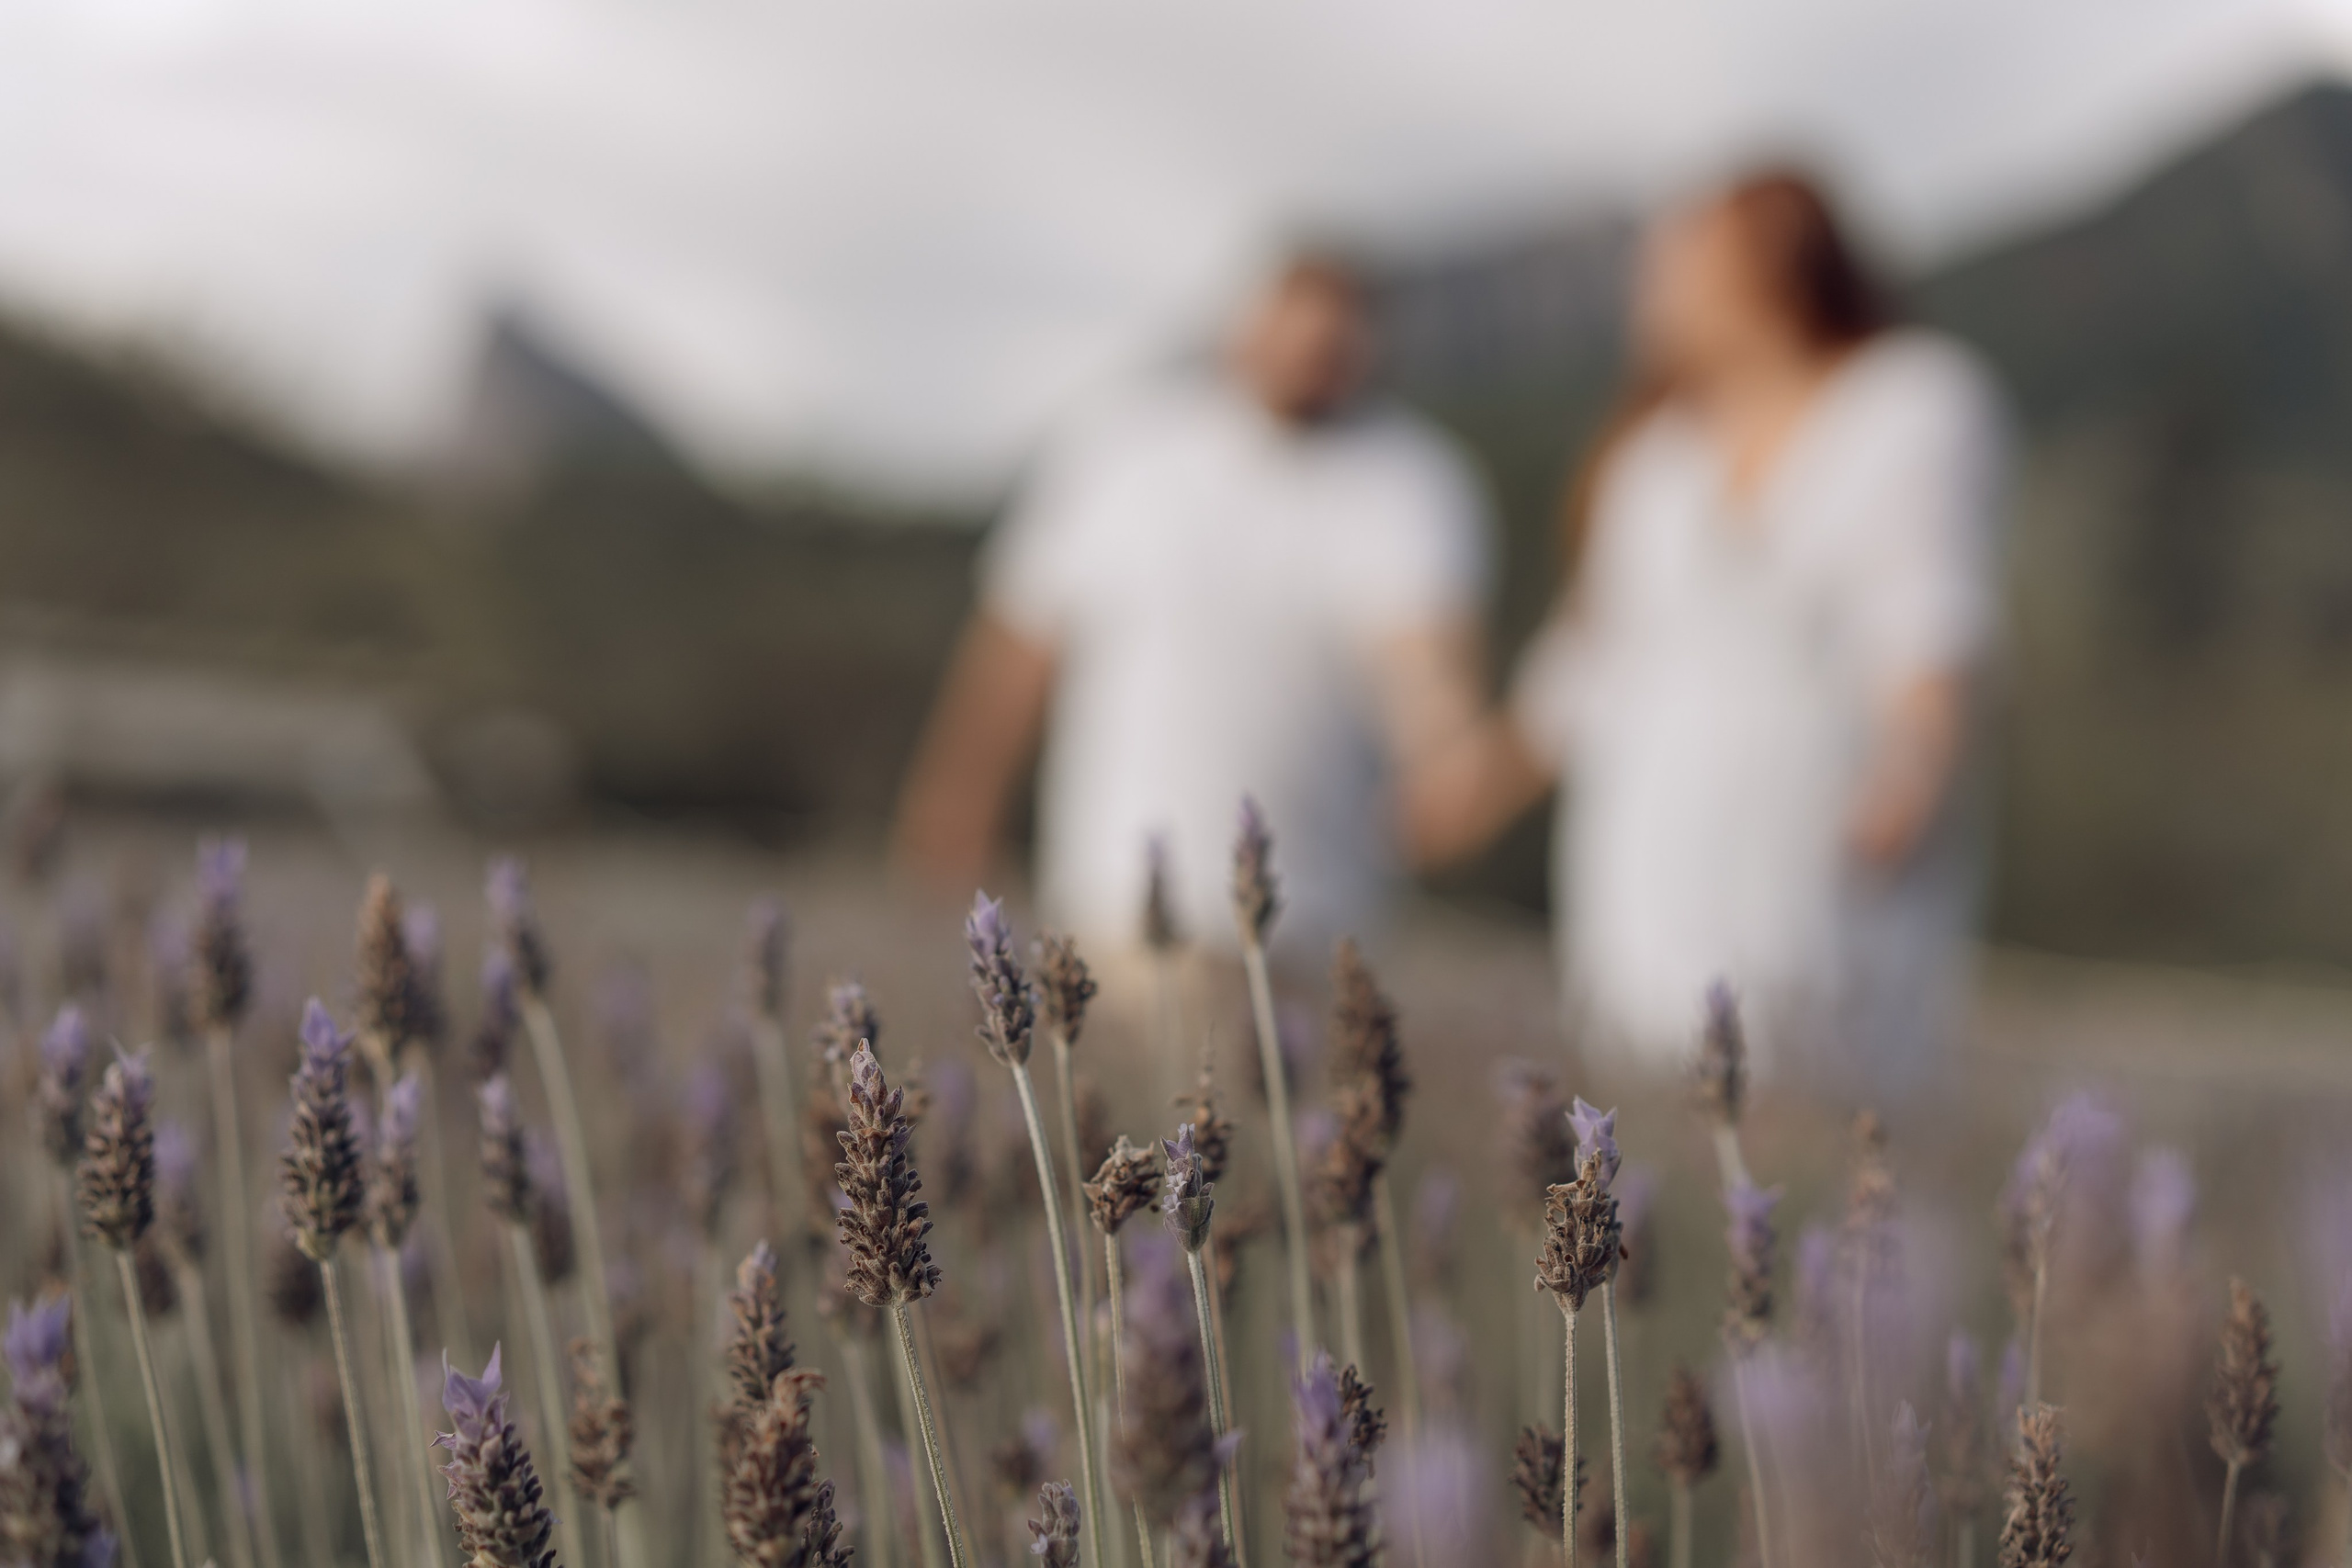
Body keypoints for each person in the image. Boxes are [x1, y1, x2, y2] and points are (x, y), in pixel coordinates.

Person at [1421, 171, 2011, 1093]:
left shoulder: (1908, 405)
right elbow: (1584, 667)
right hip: (1648, 850)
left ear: (1768, 264)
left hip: (1823, 851)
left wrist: (1913, 765)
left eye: (1673, 267)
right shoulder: (1654, 457)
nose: (1646, 295)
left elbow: (1929, 618)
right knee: (1651, 1114)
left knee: (1825, 1123)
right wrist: (1477, 785)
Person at [892, 254, 1494, 960]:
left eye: (1333, 346)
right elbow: (1021, 644)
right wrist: (956, 801)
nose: (1311, 360)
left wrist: (1444, 755)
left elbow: (1421, 652)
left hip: (1314, 918)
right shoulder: (1125, 446)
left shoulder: (1409, 480)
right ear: (1245, 327)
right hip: (1114, 899)